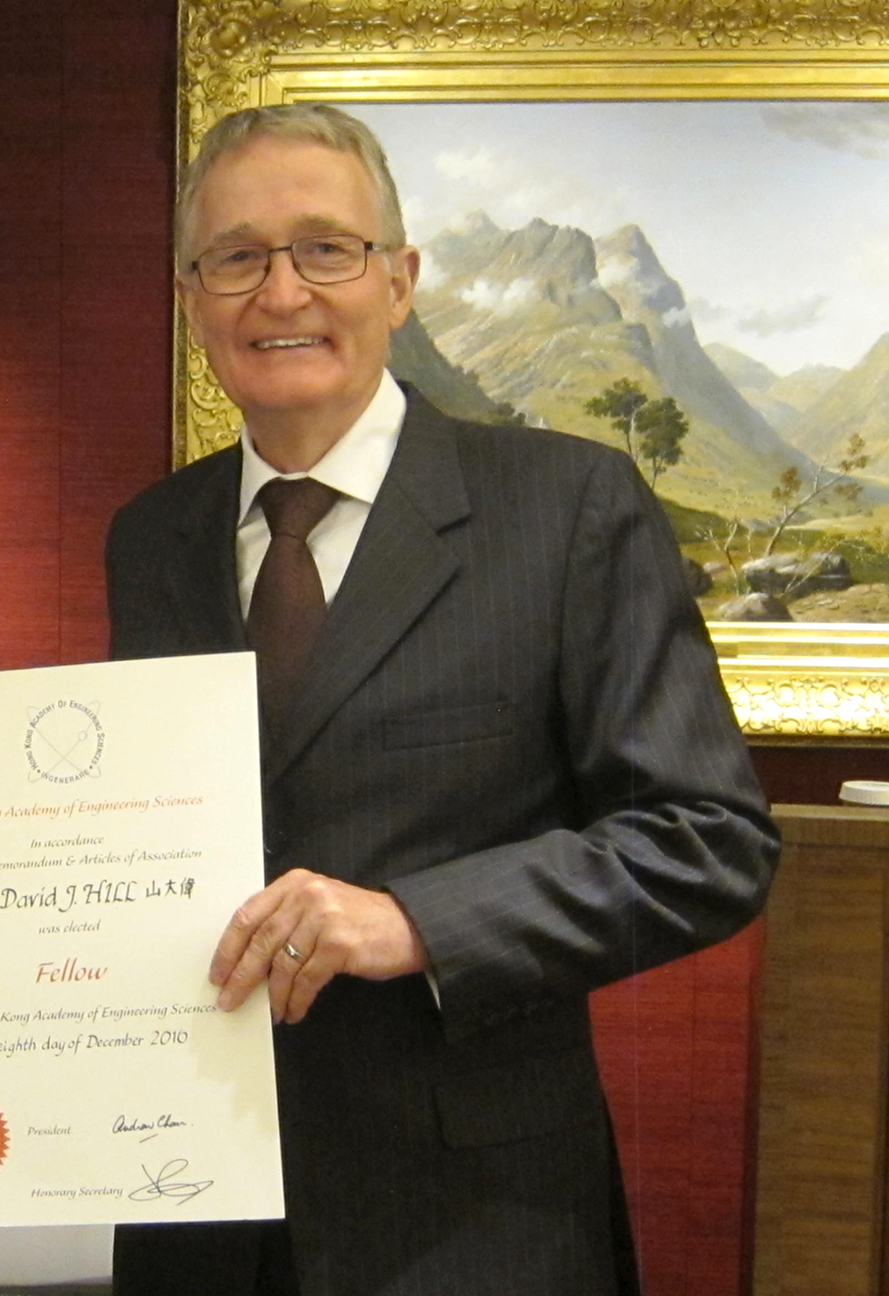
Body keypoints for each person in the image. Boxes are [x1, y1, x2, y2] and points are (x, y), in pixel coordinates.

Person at [106, 105, 777, 1296]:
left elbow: (707, 843)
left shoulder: (567, 509)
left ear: (400, 280)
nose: (281, 292)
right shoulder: (150, 538)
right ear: (191, 299)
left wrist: (414, 923)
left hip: (472, 1224)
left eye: (327, 248)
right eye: (237, 257)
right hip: (195, 1206)